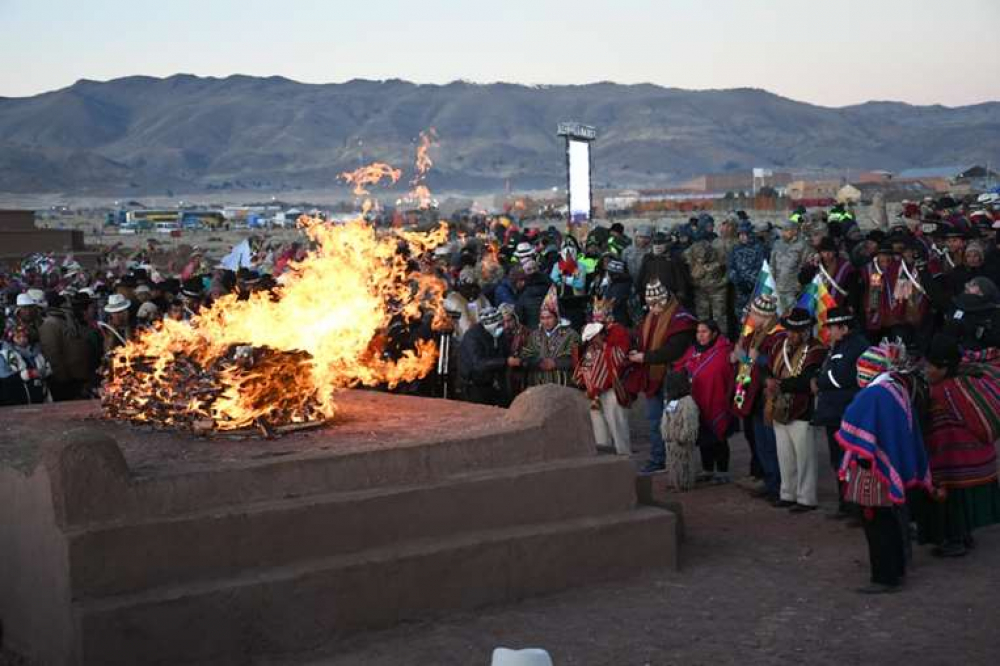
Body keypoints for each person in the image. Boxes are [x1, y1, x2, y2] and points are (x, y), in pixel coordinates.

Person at [836, 341, 933, 593]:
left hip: (874, 470)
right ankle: (896, 569)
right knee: (889, 521)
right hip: (889, 466)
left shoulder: (873, 395)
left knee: (877, 523)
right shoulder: (894, 387)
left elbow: (853, 421)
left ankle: (884, 576)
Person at [920, 335, 1000, 557]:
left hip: (955, 460)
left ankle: (955, 541)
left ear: (944, 368)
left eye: (930, 366)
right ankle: (964, 535)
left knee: (953, 501)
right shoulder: (967, 382)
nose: (926, 370)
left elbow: (937, 432)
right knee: (962, 501)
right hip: (979, 456)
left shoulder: (941, 393)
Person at [628, 279, 697, 474]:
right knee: (653, 420)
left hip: (673, 377)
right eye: (650, 305)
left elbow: (673, 350)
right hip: (653, 378)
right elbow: (641, 337)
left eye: (657, 304)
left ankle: (678, 462)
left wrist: (645, 357)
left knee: (674, 422)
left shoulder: (681, 319)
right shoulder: (650, 317)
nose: (653, 309)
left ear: (665, 300)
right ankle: (658, 458)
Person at [763, 308, 826, 511]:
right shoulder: (779, 346)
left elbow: (807, 380)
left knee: (804, 456)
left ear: (806, 331)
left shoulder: (816, 350)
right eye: (789, 330)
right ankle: (787, 493)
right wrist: (768, 380)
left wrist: (780, 385)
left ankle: (806, 498)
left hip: (802, 409)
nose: (790, 334)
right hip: (779, 408)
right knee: (785, 455)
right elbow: (767, 367)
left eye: (795, 331)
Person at [811, 307, 869, 517]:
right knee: (838, 460)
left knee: (848, 460)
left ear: (844, 328)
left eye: (832, 328)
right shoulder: (842, 345)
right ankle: (845, 503)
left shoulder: (854, 347)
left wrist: (820, 381)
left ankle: (855, 506)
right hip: (835, 412)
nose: (829, 332)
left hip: (844, 411)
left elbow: (841, 377)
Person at [732, 294, 784, 500]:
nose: (751, 317)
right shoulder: (754, 334)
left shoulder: (777, 335)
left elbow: (776, 362)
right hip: (751, 394)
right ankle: (769, 481)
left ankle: (778, 486)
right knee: (759, 442)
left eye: (754, 313)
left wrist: (750, 359)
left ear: (764, 315)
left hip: (766, 396)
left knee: (770, 443)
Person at [677, 320, 734, 483]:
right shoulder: (694, 350)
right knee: (702, 436)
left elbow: (722, 372)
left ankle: (723, 472)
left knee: (718, 437)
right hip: (697, 400)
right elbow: (682, 367)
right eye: (698, 332)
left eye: (704, 332)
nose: (700, 335)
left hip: (717, 400)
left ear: (714, 333)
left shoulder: (724, 351)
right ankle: (708, 469)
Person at [575, 309, 631, 456]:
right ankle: (606, 463)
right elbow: (582, 371)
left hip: (611, 390)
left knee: (618, 428)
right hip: (593, 396)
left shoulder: (618, 332)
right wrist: (588, 384)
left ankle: (625, 461)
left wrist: (604, 349)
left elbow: (620, 358)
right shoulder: (590, 350)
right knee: (599, 433)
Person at [517, 286, 580, 387]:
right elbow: (525, 356)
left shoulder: (571, 335)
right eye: (542, 318)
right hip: (538, 385)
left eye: (549, 317)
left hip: (563, 386)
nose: (545, 321)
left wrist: (556, 363)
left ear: (557, 317)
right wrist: (537, 362)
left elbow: (576, 359)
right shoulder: (534, 335)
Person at [38, 294, 94, 401]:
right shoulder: (50, 324)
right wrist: (62, 377)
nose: (70, 307)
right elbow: (52, 353)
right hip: (66, 379)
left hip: (78, 375)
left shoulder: (68, 320)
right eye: (67, 304)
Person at [457, 307, 509, 406]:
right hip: (473, 386)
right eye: (500, 325)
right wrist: (505, 361)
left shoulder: (499, 334)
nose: (504, 327)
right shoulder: (472, 337)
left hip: (492, 383)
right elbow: (478, 364)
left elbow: (504, 352)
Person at [660, 370, 700, 492]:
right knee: (673, 462)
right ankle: (674, 481)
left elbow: (690, 423)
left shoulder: (687, 403)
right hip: (671, 441)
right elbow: (667, 418)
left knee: (685, 462)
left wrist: (684, 436)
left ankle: (685, 483)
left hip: (682, 440)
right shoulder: (672, 402)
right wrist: (665, 432)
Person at [685, 238, 730, 338]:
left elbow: (729, 270)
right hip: (700, 292)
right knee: (702, 317)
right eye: (699, 257)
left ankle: (722, 339)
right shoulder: (689, 254)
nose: (701, 259)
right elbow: (685, 271)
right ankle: (703, 339)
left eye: (703, 257)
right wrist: (694, 282)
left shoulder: (719, 254)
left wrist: (722, 283)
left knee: (719, 317)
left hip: (718, 291)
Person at [0, 322, 52, 405]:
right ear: (12, 338)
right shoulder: (6, 354)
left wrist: (44, 371)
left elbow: (46, 365)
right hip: (20, 396)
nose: (22, 339)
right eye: (18, 337)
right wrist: (25, 374)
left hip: (41, 392)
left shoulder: (36, 351)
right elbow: (4, 377)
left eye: (24, 336)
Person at [637, 232, 692, 307]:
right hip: (650, 296)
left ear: (666, 244)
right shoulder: (648, 258)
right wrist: (639, 290)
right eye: (655, 244)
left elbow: (680, 277)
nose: (658, 246)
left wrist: (681, 292)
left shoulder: (674, 259)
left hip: (670, 296)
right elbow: (641, 275)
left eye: (661, 244)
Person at [770, 220, 808, 313]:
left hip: (793, 290)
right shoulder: (777, 244)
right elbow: (772, 265)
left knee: (792, 315)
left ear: (795, 231)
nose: (783, 233)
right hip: (778, 289)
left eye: (787, 230)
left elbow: (805, 267)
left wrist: (799, 285)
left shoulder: (802, 245)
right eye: (782, 230)